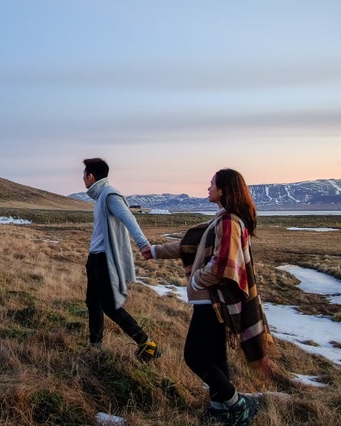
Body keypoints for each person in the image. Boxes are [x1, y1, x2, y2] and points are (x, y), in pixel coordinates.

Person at [142, 168, 273, 426]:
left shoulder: (228, 222)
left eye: (212, 184)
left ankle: (238, 404)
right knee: (215, 357)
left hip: (212, 301)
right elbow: (188, 245)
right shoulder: (222, 219)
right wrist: (154, 251)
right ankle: (219, 408)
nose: (208, 187)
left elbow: (223, 264)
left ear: (224, 189)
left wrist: (197, 279)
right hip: (211, 300)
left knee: (195, 356)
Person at [82, 158, 160, 362]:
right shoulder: (101, 197)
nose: (83, 179)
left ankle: (147, 344)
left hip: (105, 260)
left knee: (109, 304)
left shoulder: (109, 195)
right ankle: (95, 347)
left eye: (84, 175)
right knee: (93, 303)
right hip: (96, 258)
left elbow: (128, 218)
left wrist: (143, 244)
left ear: (91, 176)